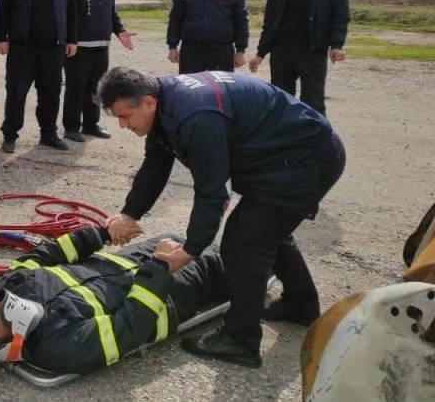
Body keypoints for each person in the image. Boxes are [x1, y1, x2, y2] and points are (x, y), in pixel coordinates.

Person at [97, 67, 346, 368]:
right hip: (283, 156)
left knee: (244, 243)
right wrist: (129, 213)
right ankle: (300, 304)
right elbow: (156, 163)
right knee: (268, 230)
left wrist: (191, 249)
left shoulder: (195, 116)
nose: (123, 125)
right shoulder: (165, 105)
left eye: (126, 116)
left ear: (148, 102)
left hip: (305, 158)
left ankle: (240, 340)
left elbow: (213, 190)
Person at [0, 225, 230, 374]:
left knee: (180, 236)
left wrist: (101, 234)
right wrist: (159, 268)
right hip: (167, 293)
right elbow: (131, 326)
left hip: (128, 258)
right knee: (232, 262)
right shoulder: (61, 347)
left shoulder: (10, 285)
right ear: (13, 345)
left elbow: (49, 252)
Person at [249, 0, 350, 116]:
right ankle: (284, 142)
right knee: (281, 102)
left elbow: (340, 14)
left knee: (313, 103)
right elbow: (270, 21)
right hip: (282, 52)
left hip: (313, 50)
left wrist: (336, 45)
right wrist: (260, 53)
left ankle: (315, 142)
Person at [0, 0, 78, 154]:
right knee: (16, 93)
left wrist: (71, 39)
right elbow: (4, 9)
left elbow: (71, 11)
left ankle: (48, 134)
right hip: (23, 48)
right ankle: (10, 135)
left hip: (53, 49)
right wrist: (1, 38)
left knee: (51, 94)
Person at [62, 0, 135, 143]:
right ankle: (71, 127)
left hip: (102, 48)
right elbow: (67, 17)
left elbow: (112, 16)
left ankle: (90, 124)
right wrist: (70, 40)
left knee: (95, 88)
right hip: (79, 49)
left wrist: (121, 32)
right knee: (76, 89)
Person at [167, 0, 248, 74]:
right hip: (191, 50)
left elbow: (241, 22)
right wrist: (172, 47)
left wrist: (240, 51)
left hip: (222, 50)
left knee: (221, 91)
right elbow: (175, 20)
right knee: (191, 90)